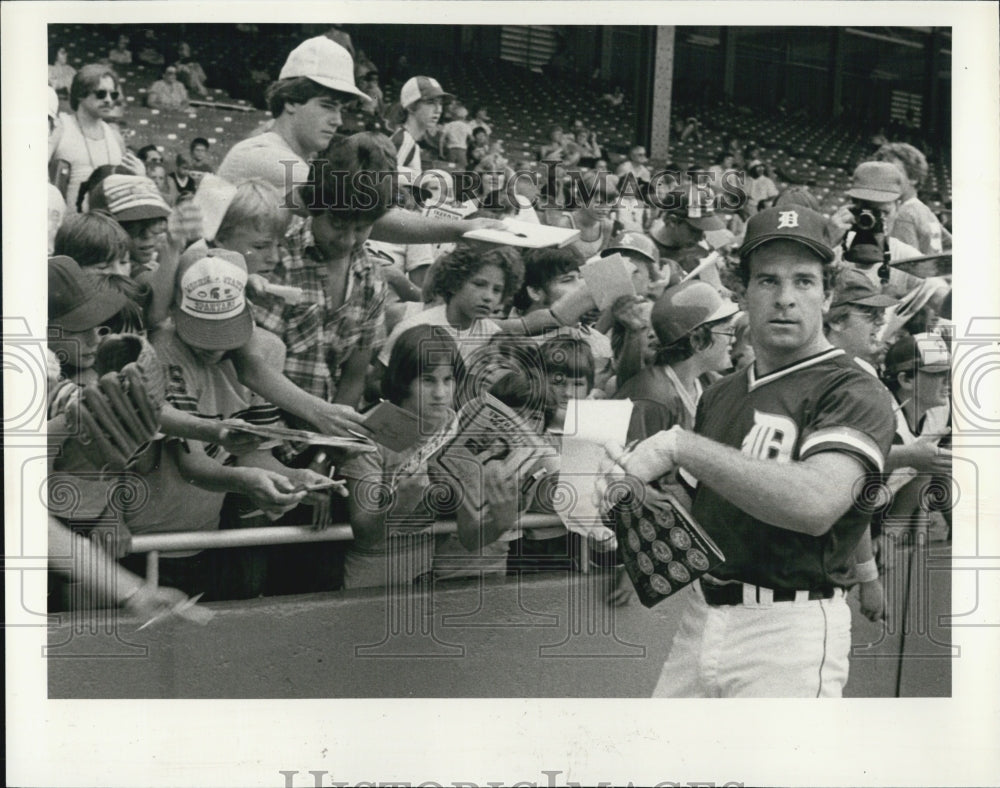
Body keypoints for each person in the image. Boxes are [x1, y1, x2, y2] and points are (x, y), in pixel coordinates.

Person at [616, 206, 896, 697]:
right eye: (767, 281)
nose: (785, 299)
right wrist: (624, 492)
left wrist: (681, 445)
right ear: (743, 293)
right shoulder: (721, 393)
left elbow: (816, 506)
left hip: (790, 628)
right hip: (702, 617)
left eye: (804, 282)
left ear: (827, 295)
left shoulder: (852, 389)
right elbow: (693, 512)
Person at [120, 248, 327, 598]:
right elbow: (192, 464)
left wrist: (294, 478)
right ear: (175, 311)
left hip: (208, 532)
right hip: (145, 538)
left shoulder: (269, 348)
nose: (213, 348)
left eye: (224, 332)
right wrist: (249, 483)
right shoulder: (161, 350)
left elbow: (254, 453)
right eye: (201, 332)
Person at [339, 325, 463, 588]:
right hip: (373, 579)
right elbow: (365, 534)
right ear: (404, 380)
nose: (441, 394)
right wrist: (402, 500)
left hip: (431, 574)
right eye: (428, 380)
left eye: (448, 379)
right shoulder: (373, 431)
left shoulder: (457, 427)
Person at [378, 245, 522, 367]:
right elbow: (376, 384)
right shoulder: (414, 326)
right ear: (455, 283)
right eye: (479, 284)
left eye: (497, 290)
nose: (488, 297)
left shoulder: (492, 336)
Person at [880, 333, 952, 541]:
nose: (948, 380)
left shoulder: (939, 410)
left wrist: (891, 532)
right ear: (906, 380)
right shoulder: (882, 416)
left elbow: (925, 470)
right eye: (938, 373)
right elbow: (851, 486)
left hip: (880, 511)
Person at [511, 246, 613, 388]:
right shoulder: (510, 343)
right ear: (535, 292)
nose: (582, 287)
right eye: (567, 280)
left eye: (581, 278)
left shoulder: (596, 339)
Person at [828, 161, 924, 298]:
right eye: (866, 213)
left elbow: (940, 298)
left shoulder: (907, 258)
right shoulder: (832, 248)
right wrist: (827, 244)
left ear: (898, 208)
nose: (872, 221)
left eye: (882, 213)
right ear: (851, 207)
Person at [53, 64, 128, 213]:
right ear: (81, 94)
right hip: (66, 228)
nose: (108, 100)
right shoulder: (60, 127)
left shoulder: (115, 136)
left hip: (104, 226)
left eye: (113, 95)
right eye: (101, 94)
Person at [874, 142, 952, 254]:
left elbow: (903, 266)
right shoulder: (926, 211)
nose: (884, 178)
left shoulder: (902, 214)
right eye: (881, 173)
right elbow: (950, 247)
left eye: (893, 172)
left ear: (913, 178)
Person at [823, 268, 899, 373]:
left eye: (882, 313)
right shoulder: (822, 373)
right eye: (872, 314)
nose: (882, 321)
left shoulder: (863, 368)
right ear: (837, 320)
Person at [387, 75, 452, 175]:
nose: (438, 109)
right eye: (430, 102)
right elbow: (383, 181)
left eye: (440, 103)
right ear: (411, 106)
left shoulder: (408, 140)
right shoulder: (405, 141)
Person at [438, 101, 474, 170]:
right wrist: (466, 144)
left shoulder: (448, 125)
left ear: (453, 115)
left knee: (450, 168)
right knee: (461, 169)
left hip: (451, 151)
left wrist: (441, 153)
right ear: (464, 116)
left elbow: (441, 140)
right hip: (462, 151)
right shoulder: (467, 126)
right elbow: (472, 139)